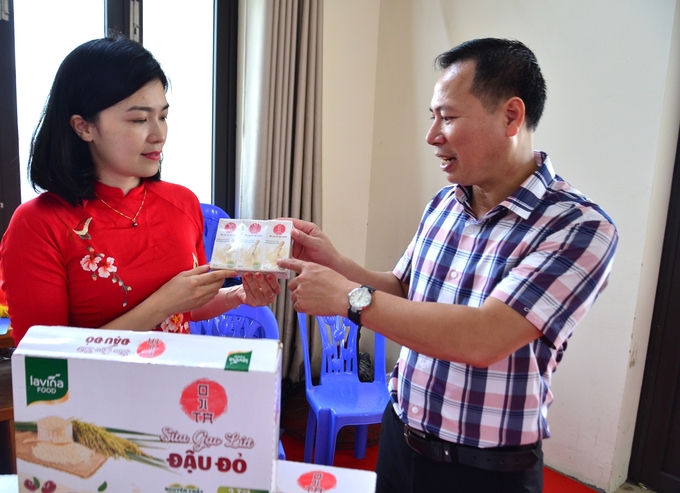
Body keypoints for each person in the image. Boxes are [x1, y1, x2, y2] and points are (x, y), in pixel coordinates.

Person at [278, 38, 618, 493]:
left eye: (449, 117)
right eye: (432, 116)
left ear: (511, 116)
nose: (432, 135)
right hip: (402, 438)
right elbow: (402, 290)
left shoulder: (578, 227)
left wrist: (348, 298)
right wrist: (334, 261)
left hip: (484, 472)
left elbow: (484, 337)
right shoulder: (445, 203)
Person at [0, 37, 280, 346]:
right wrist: (163, 303)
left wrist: (236, 295)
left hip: (177, 387)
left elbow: (188, 308)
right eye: (139, 119)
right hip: (92, 393)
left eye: (162, 116)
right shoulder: (38, 224)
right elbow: (45, 356)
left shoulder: (182, 202)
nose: (158, 135)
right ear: (84, 127)